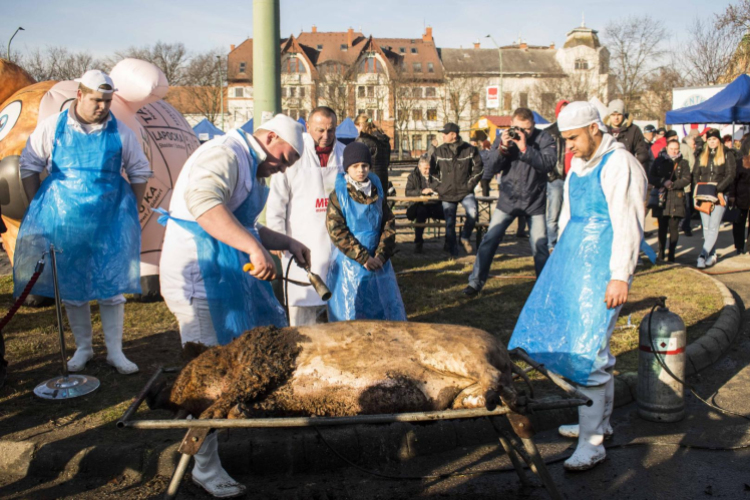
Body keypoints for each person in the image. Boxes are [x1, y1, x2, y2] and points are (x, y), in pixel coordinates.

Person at [158, 114, 309, 498]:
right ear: (270, 135)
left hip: (222, 276)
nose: (282, 166)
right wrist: (253, 248)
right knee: (209, 374)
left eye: (289, 164)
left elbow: (246, 224)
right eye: (284, 156)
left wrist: (284, 242)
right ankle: (204, 468)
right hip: (200, 278)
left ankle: (215, 450)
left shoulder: (252, 167)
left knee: (230, 366)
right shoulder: (224, 154)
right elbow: (206, 205)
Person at [510, 101, 647, 471]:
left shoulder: (620, 164)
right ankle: (598, 423)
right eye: (565, 139)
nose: (568, 146)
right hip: (576, 266)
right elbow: (569, 217)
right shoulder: (579, 167)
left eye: (573, 138)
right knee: (588, 347)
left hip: (603, 267)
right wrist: (560, 263)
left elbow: (629, 222)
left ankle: (593, 443)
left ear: (594, 128)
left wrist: (620, 273)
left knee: (590, 352)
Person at [14, 70, 152, 375]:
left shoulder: (121, 132)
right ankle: (84, 348)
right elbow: (29, 165)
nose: (103, 107)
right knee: (73, 287)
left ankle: (116, 352)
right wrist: (39, 208)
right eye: (97, 100)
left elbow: (140, 171)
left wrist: (131, 210)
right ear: (80, 95)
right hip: (65, 221)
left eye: (108, 101)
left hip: (108, 221)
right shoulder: (53, 127)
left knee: (111, 285)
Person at [463, 108, 556, 297]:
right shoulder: (505, 137)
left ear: (533, 126)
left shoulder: (544, 139)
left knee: (539, 246)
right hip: (508, 199)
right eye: (518, 128)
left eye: (527, 129)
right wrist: (503, 148)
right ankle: (475, 283)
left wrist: (524, 148)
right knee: (489, 240)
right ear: (511, 125)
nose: (522, 133)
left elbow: (548, 164)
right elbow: (491, 168)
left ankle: (543, 289)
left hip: (534, 201)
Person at [267, 107, 345, 326]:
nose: (325, 136)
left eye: (331, 130)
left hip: (336, 240)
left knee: (336, 298)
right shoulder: (294, 153)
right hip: (301, 236)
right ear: (308, 127)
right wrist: (277, 235)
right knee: (303, 301)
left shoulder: (344, 153)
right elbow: (277, 199)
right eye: (320, 130)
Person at [326, 142, 405, 321]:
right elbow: (337, 230)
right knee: (351, 310)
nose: (360, 170)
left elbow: (388, 223)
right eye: (355, 166)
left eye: (364, 165)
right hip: (350, 262)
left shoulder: (376, 191)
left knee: (382, 308)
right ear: (347, 168)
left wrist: (381, 256)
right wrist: (363, 258)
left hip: (379, 262)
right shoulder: (338, 195)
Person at [429, 123, 483, 256]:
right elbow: (431, 173)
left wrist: (469, 185)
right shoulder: (439, 151)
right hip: (446, 193)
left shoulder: (470, 150)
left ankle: (465, 237)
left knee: (473, 212)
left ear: (454, 135)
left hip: (465, 191)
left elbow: (479, 169)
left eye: (445, 133)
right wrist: (439, 187)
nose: (443, 135)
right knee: (450, 223)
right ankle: (454, 252)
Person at [694, 128, 736, 268]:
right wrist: (699, 188)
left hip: (718, 193)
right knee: (706, 227)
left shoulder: (727, 154)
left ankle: (702, 255)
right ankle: (711, 254)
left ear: (719, 140)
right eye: (710, 139)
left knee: (713, 226)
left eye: (714, 139)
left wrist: (718, 189)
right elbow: (696, 173)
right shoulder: (701, 154)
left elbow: (730, 174)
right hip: (703, 193)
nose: (712, 142)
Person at [648, 140, 692, 261]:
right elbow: (651, 177)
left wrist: (673, 184)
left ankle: (671, 254)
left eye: (676, 149)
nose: (674, 151)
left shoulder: (683, 163)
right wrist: (663, 181)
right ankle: (661, 253)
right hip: (662, 197)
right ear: (667, 148)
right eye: (672, 148)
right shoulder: (659, 161)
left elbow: (687, 178)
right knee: (662, 228)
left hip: (676, 197)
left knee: (674, 228)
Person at [405, 154, 444, 253]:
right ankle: (418, 242)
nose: (427, 171)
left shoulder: (435, 175)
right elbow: (408, 192)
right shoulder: (413, 176)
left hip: (434, 204)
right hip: (419, 205)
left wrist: (436, 191)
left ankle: (450, 242)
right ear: (419, 167)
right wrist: (421, 191)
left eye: (429, 168)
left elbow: (442, 187)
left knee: (449, 212)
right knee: (421, 214)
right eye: (425, 169)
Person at [545, 99, 570, 251]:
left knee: (570, 214)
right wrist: (551, 175)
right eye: (563, 110)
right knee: (553, 214)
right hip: (556, 178)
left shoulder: (576, 131)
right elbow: (545, 156)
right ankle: (551, 244)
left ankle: (566, 243)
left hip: (573, 178)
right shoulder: (550, 132)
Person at [605, 99, 650, 169]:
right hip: (607, 169)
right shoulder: (602, 130)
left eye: (619, 114)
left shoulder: (634, 130)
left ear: (623, 115)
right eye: (613, 115)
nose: (616, 118)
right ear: (609, 115)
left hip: (628, 168)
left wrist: (632, 164)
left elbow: (642, 153)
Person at [354, 113, 391, 195]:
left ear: (360, 125)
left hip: (367, 182)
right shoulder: (384, 140)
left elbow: (356, 164)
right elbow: (387, 163)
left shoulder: (362, 141)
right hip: (383, 181)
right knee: (380, 205)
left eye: (356, 128)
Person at [731, 148, 750, 254]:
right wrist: (732, 194)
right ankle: (739, 246)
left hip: (744, 195)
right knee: (739, 222)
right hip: (741, 196)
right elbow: (734, 179)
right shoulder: (741, 161)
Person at [680, 133, 698, 236]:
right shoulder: (688, 149)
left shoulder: (677, 147)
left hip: (674, 182)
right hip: (686, 182)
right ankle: (685, 226)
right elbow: (693, 164)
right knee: (687, 205)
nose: (694, 145)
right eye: (693, 143)